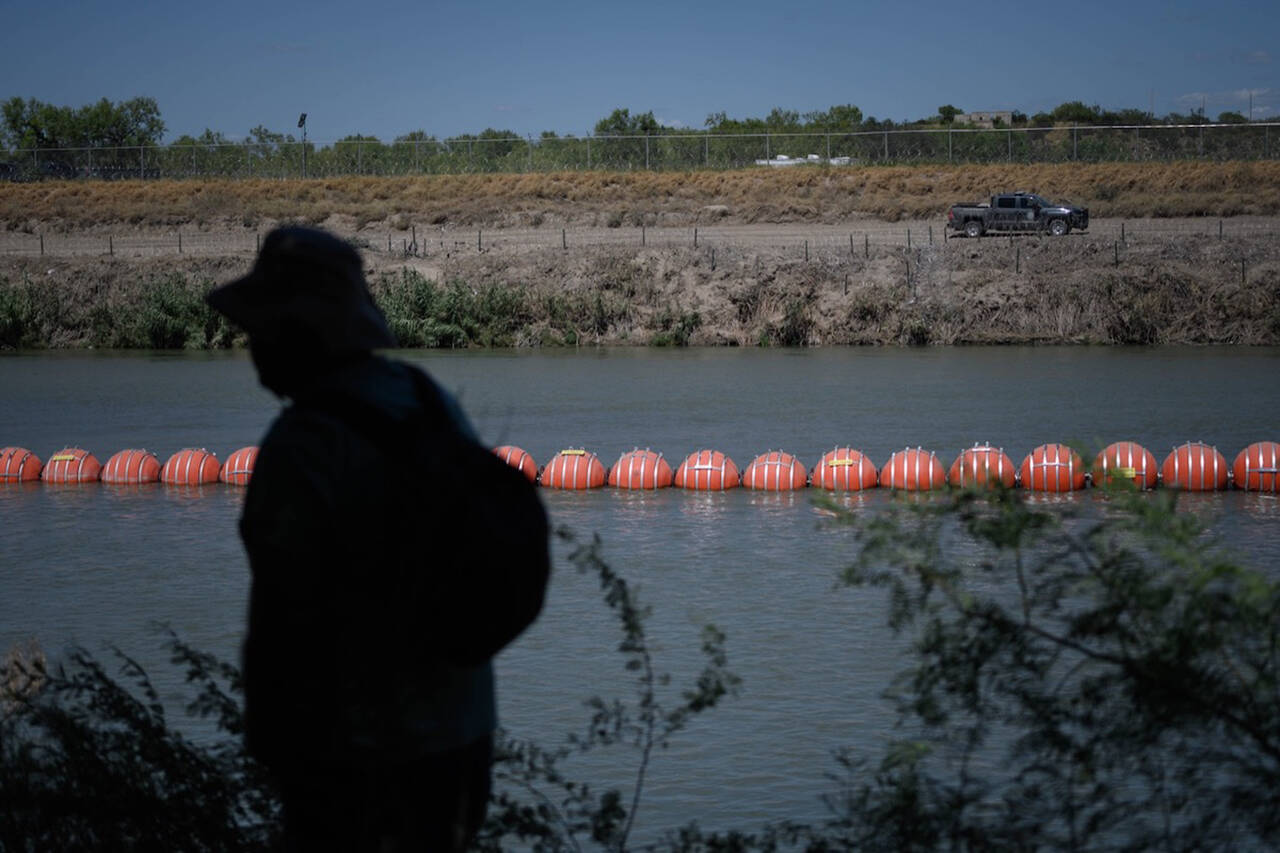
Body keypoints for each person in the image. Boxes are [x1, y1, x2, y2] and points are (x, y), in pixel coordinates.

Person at [206, 226, 550, 852]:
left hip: (362, 755)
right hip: (462, 735)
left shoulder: (303, 445)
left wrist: (274, 744)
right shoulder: (424, 396)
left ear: (297, 331)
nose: (252, 344)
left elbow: (286, 613)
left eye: (261, 327)